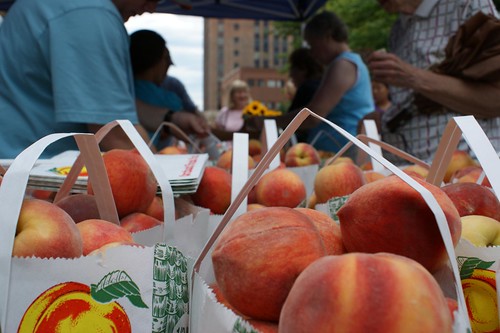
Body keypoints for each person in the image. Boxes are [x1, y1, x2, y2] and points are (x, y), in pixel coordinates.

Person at [0, 0, 208, 159]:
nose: (152, 7)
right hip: (31, 185)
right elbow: (116, 134)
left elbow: (105, 107)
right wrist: (172, 190)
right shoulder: (90, 15)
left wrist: (171, 118)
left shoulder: (78, 8)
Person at [367, 0, 500, 163]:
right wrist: (385, 118)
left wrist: (413, 77)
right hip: (409, 167)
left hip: (465, 166)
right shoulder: (398, 29)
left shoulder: (467, 4)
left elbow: (496, 99)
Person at [247, 11, 375, 154]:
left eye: (312, 44)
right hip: (339, 148)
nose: (312, 53)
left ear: (327, 36)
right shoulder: (350, 63)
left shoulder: (343, 65)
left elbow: (314, 115)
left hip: (341, 150)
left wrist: (268, 121)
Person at [129, 29, 209, 148]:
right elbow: (199, 126)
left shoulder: (121, 91)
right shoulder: (169, 99)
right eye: (168, 62)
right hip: (154, 159)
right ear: (162, 59)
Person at [286, 47, 324, 142]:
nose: (290, 74)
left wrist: (266, 121)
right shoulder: (323, 86)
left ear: (303, 69)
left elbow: (291, 121)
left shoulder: (307, 88)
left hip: (311, 144)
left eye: (293, 68)